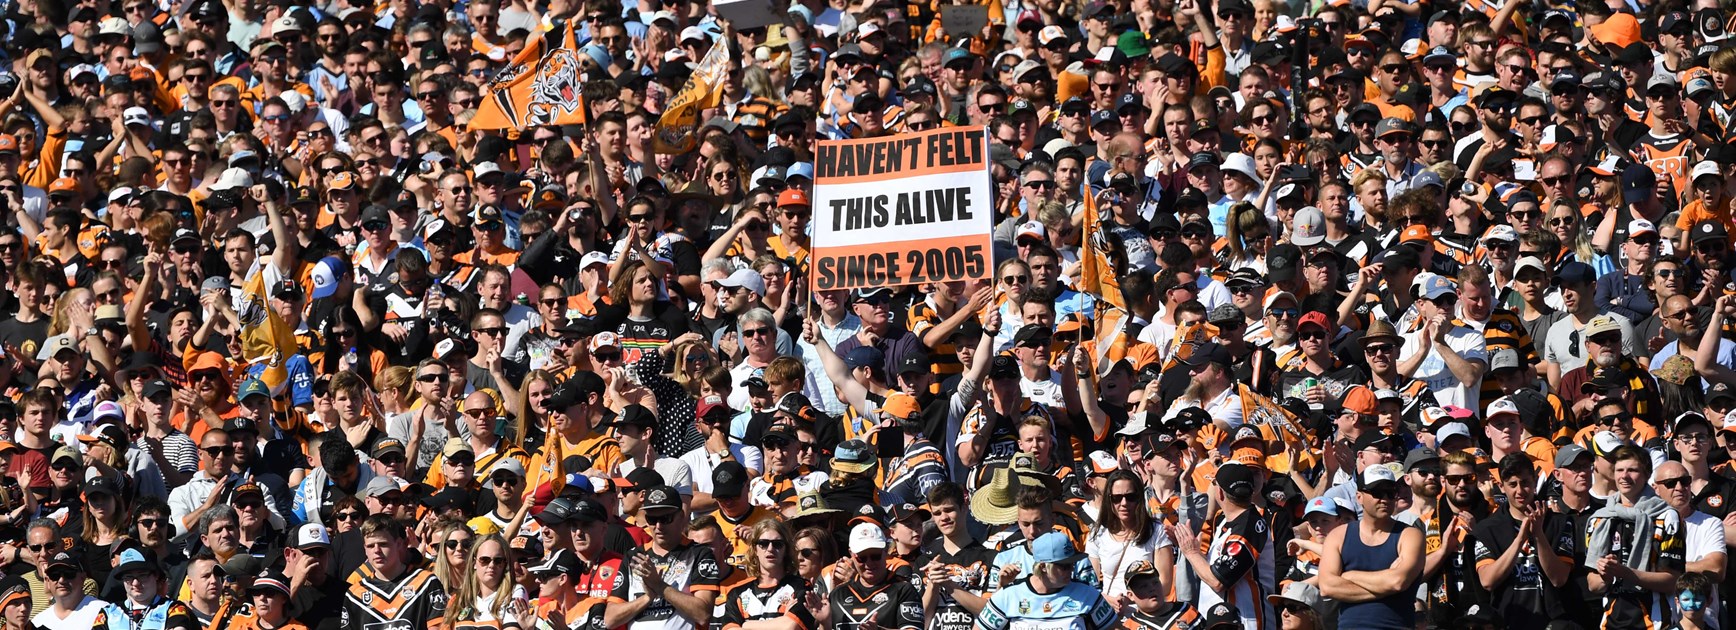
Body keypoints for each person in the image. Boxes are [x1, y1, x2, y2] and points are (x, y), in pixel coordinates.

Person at [1318, 464, 1424, 629]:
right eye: (1377, 492)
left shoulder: (1410, 535)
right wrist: (1385, 584)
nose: (1385, 499)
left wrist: (1349, 576)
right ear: (1359, 497)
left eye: (1390, 493)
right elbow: (1327, 587)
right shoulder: (1338, 536)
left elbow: (1397, 581)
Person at [973, 531, 1118, 630]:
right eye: (1064, 566)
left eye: (1072, 563)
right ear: (1043, 566)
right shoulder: (1009, 595)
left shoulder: (1087, 594)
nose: (1071, 569)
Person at [341, 516, 447, 630]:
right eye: (370, 546)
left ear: (399, 544)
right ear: (364, 549)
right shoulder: (355, 594)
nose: (376, 550)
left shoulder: (426, 583)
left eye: (383, 544)